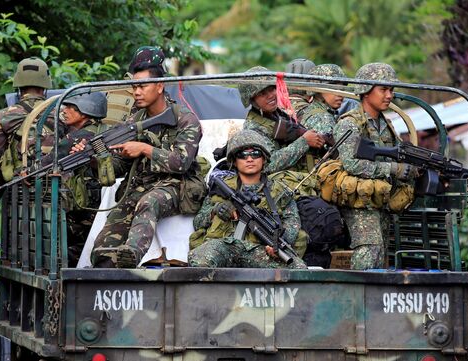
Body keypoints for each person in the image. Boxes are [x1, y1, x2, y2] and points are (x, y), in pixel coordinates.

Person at [89, 46, 203, 268]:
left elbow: (181, 162)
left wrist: (144, 148)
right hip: (139, 187)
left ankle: (131, 254)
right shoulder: (133, 121)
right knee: (102, 249)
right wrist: (96, 158)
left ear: (160, 86)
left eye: (142, 86)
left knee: (149, 201)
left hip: (176, 187)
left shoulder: (185, 119)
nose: (136, 92)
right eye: (133, 86)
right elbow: (121, 167)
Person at [332, 62, 419, 270]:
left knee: (379, 253)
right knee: (369, 250)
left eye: (391, 90)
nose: (389, 95)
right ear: (365, 91)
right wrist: (391, 169)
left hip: (380, 199)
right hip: (359, 201)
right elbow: (351, 164)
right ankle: (356, 298)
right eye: (383, 89)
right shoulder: (350, 123)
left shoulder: (385, 124)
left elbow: (398, 156)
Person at [188, 130, 307, 269]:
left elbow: (292, 223)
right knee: (200, 259)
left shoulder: (280, 192)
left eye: (255, 154)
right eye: (242, 155)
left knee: (297, 268)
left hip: (260, 251)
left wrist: (275, 246)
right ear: (234, 161)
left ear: (263, 159)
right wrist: (216, 210)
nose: (249, 159)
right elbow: (198, 222)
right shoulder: (222, 187)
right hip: (224, 246)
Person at [47, 91, 108, 267]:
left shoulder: (76, 137)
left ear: (86, 111)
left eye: (71, 107)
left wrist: (24, 172)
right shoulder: (105, 131)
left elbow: (45, 164)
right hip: (101, 208)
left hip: (85, 210)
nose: (64, 110)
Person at [240, 66, 325, 174]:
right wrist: (304, 141)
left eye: (271, 89)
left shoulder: (278, 114)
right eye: (262, 94)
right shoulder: (253, 128)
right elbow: (268, 164)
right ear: (252, 100)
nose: (270, 95)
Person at [0, 57, 53, 183]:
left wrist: (7, 181)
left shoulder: (5, 115)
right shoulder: (62, 113)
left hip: (19, 192)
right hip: (58, 190)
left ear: (19, 87)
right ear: (45, 87)